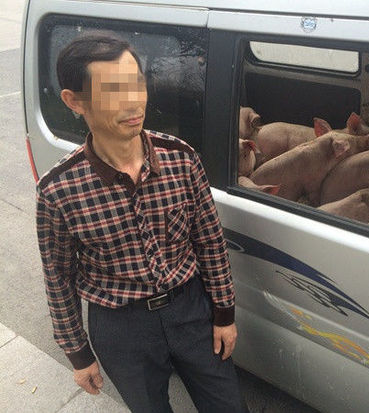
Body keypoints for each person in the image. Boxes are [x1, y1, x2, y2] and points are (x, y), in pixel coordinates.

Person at [36, 32, 248, 413]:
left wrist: (224, 313)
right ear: (74, 101)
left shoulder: (181, 159)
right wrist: (78, 353)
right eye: (113, 90)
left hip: (190, 309)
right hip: (121, 327)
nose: (133, 101)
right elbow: (58, 278)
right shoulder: (58, 191)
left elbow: (210, 241)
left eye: (137, 84)